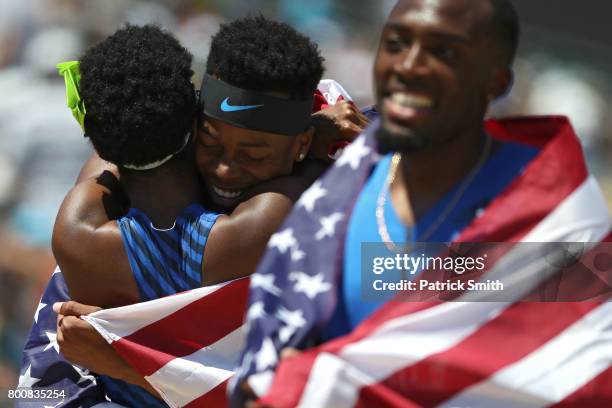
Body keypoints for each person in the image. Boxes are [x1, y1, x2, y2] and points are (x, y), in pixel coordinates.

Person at [231, 0, 612, 406]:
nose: (409, 66)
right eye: (396, 43)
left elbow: (579, 377)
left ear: (496, 83)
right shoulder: (335, 187)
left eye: (443, 52)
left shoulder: (555, 219)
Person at [21, 18, 369, 408]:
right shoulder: (267, 220)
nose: (225, 169)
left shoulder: (81, 220)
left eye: (255, 155)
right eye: (210, 140)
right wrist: (323, 136)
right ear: (192, 121)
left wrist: (126, 364)